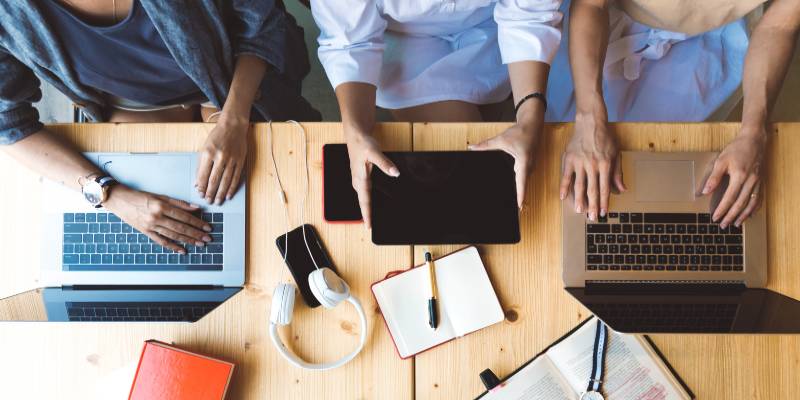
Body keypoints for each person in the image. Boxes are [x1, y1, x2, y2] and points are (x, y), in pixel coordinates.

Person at [0, 0, 319, 253]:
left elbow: (263, 24)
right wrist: (108, 194)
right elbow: (8, 122)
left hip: (228, 85)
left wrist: (235, 118)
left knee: (276, 212)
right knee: (154, 240)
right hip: (133, 107)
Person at [311, 0, 564, 227]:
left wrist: (529, 119)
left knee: (496, 160)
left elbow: (530, 17)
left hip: (496, 24)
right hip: (404, 39)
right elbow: (349, 43)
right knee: (468, 177)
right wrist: (355, 130)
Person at [558, 0, 800, 229]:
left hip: (706, 35)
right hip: (603, 23)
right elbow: (590, 4)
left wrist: (754, 132)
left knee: (668, 175)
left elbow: (780, 26)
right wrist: (589, 117)